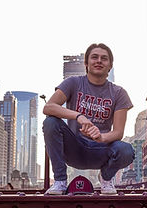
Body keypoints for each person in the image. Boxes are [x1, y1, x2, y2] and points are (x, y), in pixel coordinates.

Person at [43, 43, 135, 195]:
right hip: (74, 148)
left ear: (110, 66)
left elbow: (118, 133)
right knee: (50, 122)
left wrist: (101, 137)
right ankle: (59, 181)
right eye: (94, 57)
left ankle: (106, 178)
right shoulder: (73, 83)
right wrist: (79, 116)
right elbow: (48, 107)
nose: (99, 61)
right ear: (86, 63)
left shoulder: (119, 93)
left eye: (104, 58)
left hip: (100, 150)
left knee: (126, 150)